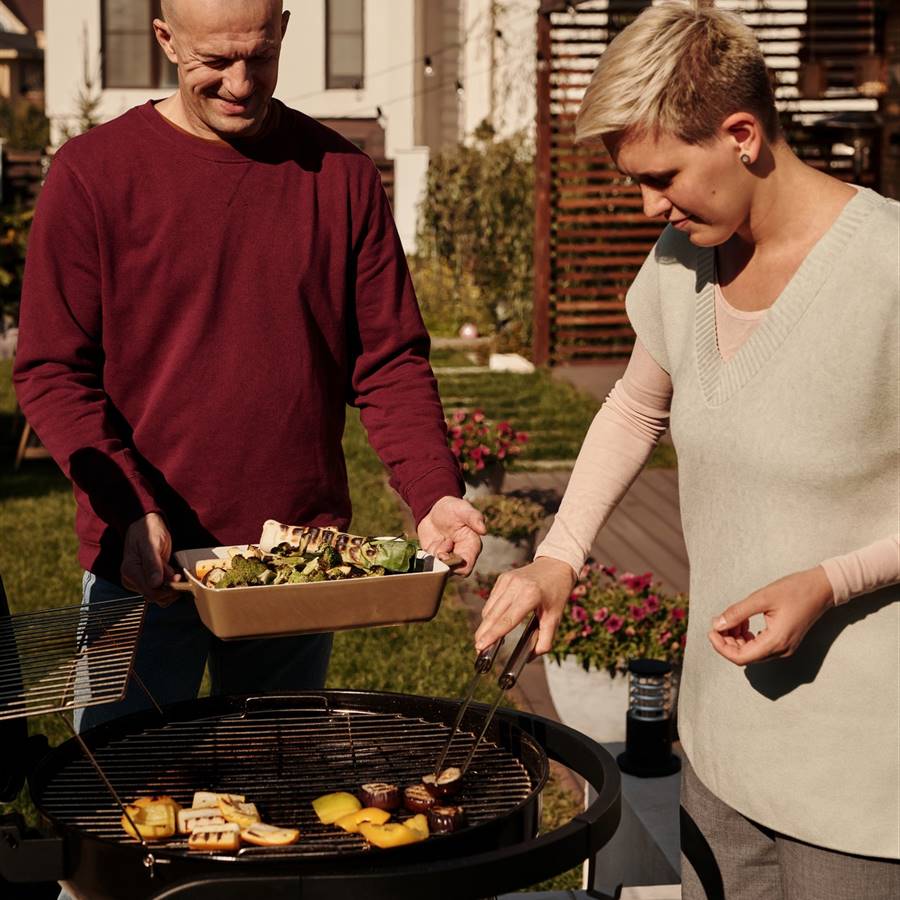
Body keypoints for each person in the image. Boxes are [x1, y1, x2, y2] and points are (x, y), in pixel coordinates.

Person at [475, 2, 899, 897]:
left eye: (663, 175)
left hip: (863, 775)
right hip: (716, 750)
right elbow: (635, 408)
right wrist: (557, 557)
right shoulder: (680, 260)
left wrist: (832, 580)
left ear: (741, 134)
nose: (647, 206)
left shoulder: (889, 270)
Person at [13, 0, 485, 734]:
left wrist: (433, 493)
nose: (240, 82)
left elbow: (389, 361)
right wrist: (129, 505)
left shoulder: (341, 175)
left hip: (295, 566)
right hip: (144, 562)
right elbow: (51, 370)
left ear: (285, 31)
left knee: (277, 784)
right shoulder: (92, 175)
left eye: (259, 57)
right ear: (166, 40)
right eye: (216, 60)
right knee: (128, 804)